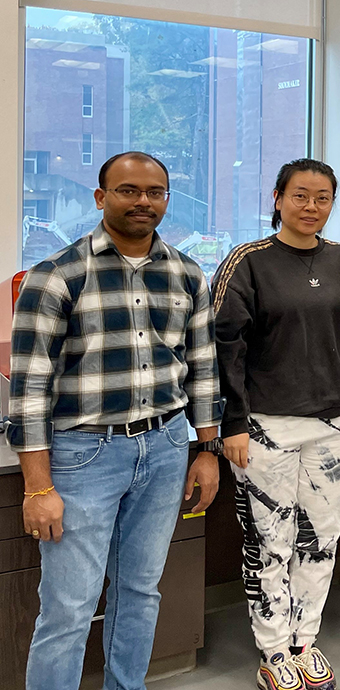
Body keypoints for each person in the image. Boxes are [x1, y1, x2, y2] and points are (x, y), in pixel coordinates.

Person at [10, 151, 223, 690]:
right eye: (128, 190)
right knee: (69, 608)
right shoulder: (55, 276)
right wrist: (38, 487)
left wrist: (206, 450)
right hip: (84, 455)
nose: (142, 201)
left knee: (140, 592)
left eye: (154, 192)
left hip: (168, 446)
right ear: (101, 198)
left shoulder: (187, 273)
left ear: (167, 200)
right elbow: (29, 388)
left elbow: (202, 369)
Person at [212, 158, 340, 690]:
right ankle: (272, 651)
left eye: (323, 198)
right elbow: (224, 346)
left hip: (334, 423)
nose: (312, 207)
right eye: (301, 196)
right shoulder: (248, 261)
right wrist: (232, 422)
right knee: (269, 541)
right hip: (266, 425)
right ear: (278, 197)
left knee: (322, 541)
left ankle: (305, 641)